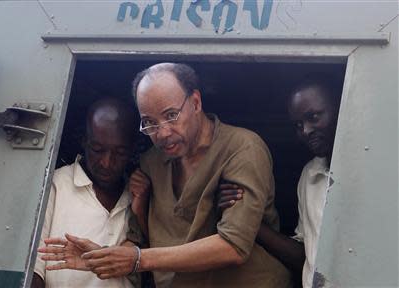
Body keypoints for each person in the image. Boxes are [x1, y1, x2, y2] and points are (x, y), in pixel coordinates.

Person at [40, 63, 292, 288]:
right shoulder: (152, 161)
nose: (162, 132)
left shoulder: (242, 148)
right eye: (149, 122)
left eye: (171, 115)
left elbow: (233, 246)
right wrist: (104, 258)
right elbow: (137, 240)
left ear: (195, 103)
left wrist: (138, 260)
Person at [219, 74, 341, 288]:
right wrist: (247, 217)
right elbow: (306, 257)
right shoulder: (310, 174)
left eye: (313, 117)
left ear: (340, 107)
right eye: (298, 125)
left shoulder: (373, 170)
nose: (306, 131)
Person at [32, 97, 150, 288]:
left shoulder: (139, 194)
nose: (106, 163)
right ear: (84, 141)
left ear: (132, 150)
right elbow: (34, 267)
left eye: (119, 153)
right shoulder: (56, 184)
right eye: (97, 149)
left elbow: (157, 263)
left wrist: (141, 210)